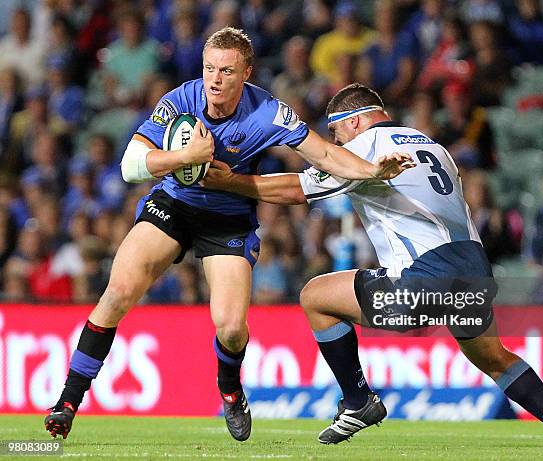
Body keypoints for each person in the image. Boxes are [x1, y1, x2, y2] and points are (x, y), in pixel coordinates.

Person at [44, 28, 409, 442]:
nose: (215, 80)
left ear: (246, 73)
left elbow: (324, 153)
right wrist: (186, 156)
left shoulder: (268, 112)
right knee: (118, 292)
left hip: (229, 218)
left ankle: (230, 388)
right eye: (209, 69)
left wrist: (373, 170)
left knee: (232, 328)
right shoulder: (181, 99)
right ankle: (67, 402)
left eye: (226, 71)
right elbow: (130, 165)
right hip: (174, 206)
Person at [202, 83, 543, 449]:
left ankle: (358, 400)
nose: (335, 148)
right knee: (493, 356)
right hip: (474, 273)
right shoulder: (433, 146)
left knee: (315, 296)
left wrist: (229, 182)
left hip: (423, 278)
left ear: (354, 122)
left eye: (337, 138)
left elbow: (297, 189)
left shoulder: (366, 147)